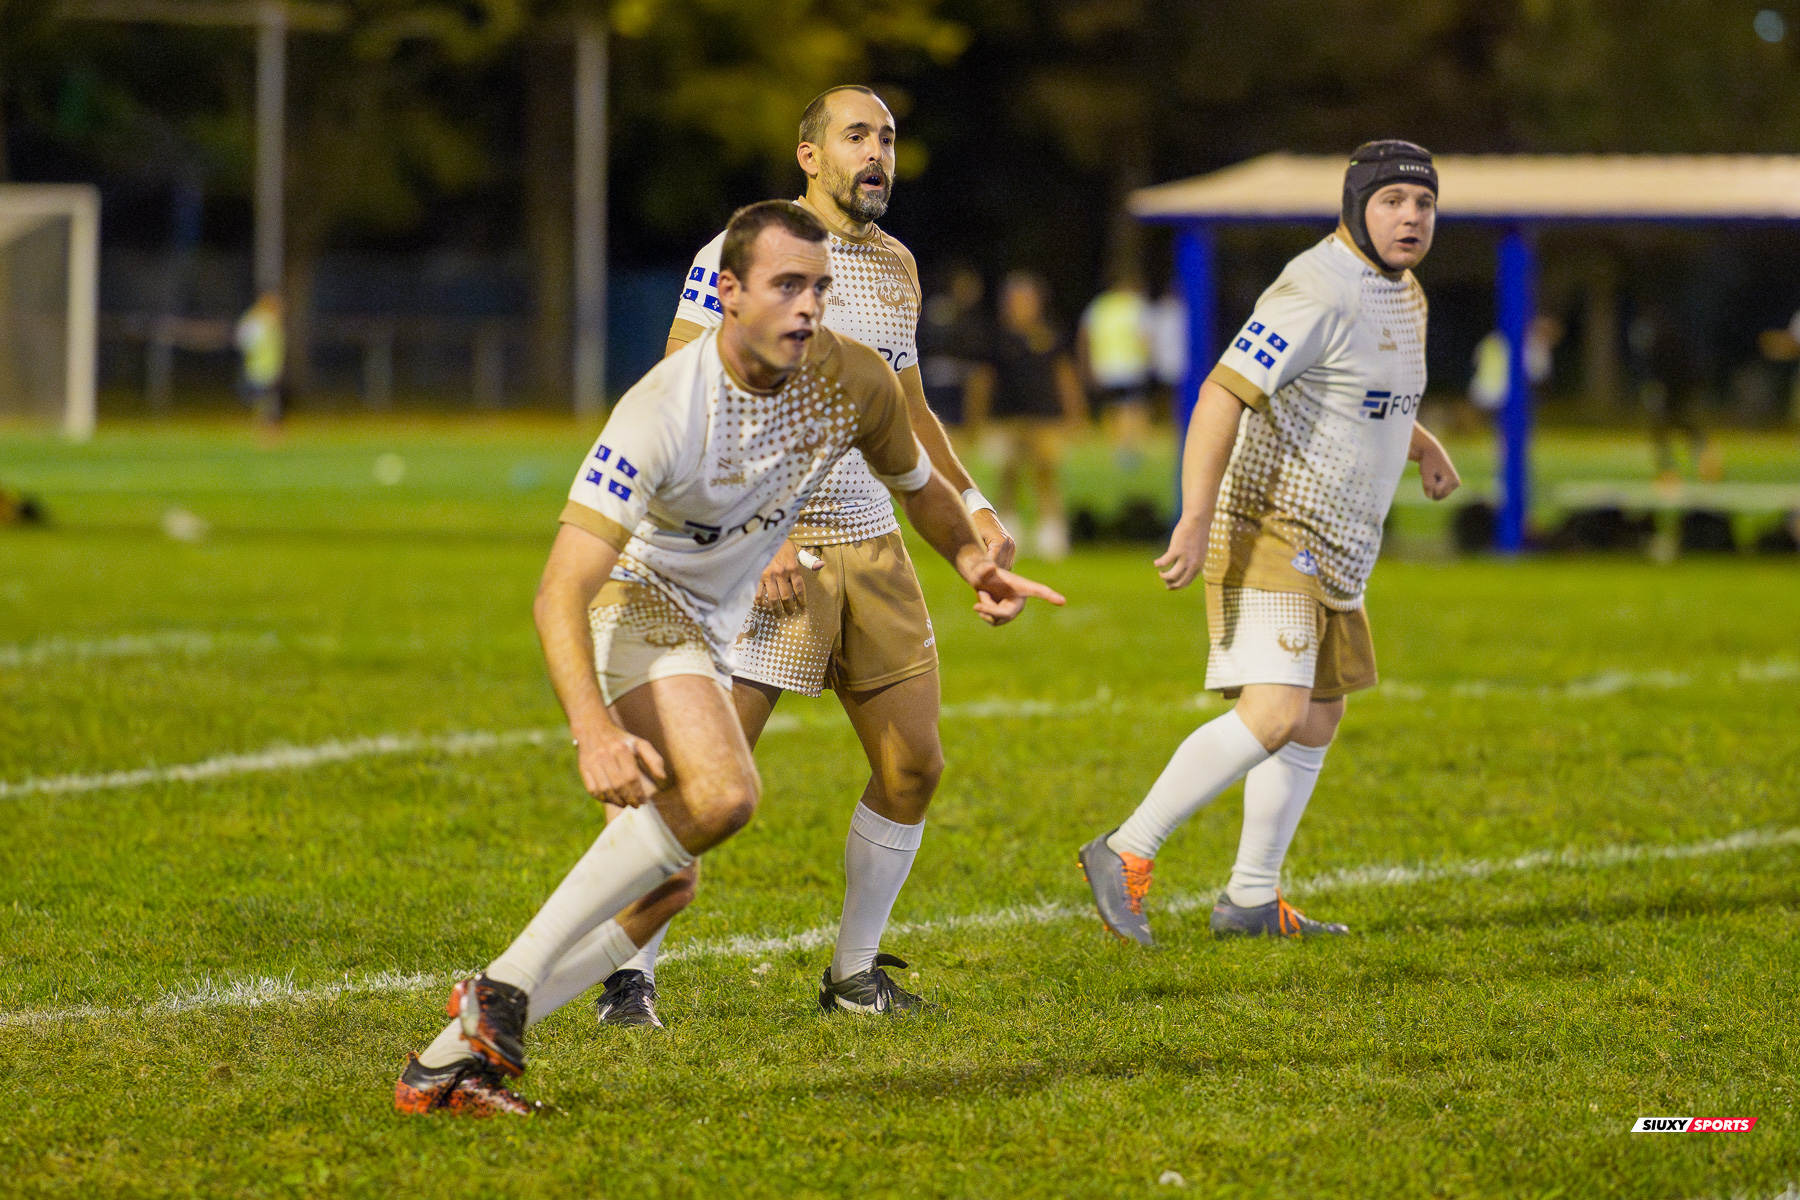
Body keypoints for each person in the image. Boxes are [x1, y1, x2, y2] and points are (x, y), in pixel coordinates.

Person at [393, 200, 1063, 1116]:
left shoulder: (850, 378)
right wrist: (592, 731)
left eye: (820, 289)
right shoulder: (663, 409)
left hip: (720, 618)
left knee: (668, 883)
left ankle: (449, 1055)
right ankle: (501, 991)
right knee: (725, 795)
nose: (807, 308)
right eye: (787, 287)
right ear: (729, 293)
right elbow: (560, 589)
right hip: (643, 605)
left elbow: (920, 487)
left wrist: (972, 558)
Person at [593, 86, 1018, 1028]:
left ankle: (853, 975)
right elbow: (681, 389)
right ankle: (631, 972)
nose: (878, 154)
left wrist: (976, 512)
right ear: (809, 156)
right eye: (857, 136)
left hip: (872, 539)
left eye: (890, 139)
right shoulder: (739, 254)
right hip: (761, 552)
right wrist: (769, 526)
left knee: (915, 766)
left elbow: (907, 415)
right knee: (698, 779)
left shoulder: (898, 267)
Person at [1079, 140, 1462, 946]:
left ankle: (1250, 898)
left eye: (1423, 203)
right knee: (1277, 711)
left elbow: (1362, 388)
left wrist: (1422, 444)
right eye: (1393, 201)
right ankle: (1125, 848)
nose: (1411, 217)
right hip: (1272, 525)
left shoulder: (1405, 292)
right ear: (1356, 205)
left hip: (1343, 541)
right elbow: (1222, 393)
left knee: (1320, 716)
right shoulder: (1313, 287)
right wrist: (1193, 514)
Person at [964, 271, 1088, 560]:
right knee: (1008, 474)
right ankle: (1007, 529)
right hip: (1006, 419)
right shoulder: (995, 339)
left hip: (1045, 419)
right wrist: (975, 420)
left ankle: (1052, 533)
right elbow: (982, 381)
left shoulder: (1050, 336)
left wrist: (1076, 412)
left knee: (1046, 473)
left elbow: (1064, 376)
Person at [1078, 274, 1153, 470]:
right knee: (1132, 408)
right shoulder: (1135, 304)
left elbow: (1084, 334)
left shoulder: (1100, 305)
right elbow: (1145, 336)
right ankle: (1130, 449)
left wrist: (1086, 365)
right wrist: (1149, 360)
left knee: (1112, 409)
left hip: (1105, 367)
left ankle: (1117, 449)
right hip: (1131, 366)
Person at [918, 264, 990, 427]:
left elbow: (977, 361)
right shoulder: (936, 310)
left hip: (956, 394)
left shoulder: (973, 320)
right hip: (930, 388)